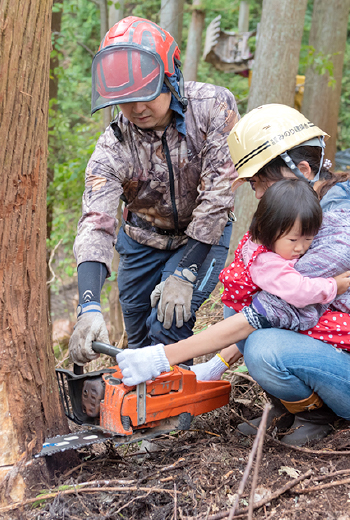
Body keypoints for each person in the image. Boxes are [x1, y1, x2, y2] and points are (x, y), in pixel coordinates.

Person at [117, 104, 350, 446]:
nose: (256, 195)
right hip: (332, 349)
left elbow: (268, 313)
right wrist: (217, 364)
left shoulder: (337, 227)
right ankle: (290, 405)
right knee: (238, 298)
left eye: (260, 183)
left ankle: (318, 414)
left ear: (302, 169)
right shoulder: (304, 218)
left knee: (264, 347)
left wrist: (162, 357)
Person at [69, 16, 240, 366]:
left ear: (170, 78)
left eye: (146, 94)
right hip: (142, 240)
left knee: (168, 326)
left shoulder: (211, 107)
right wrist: (88, 305)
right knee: (138, 340)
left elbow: (219, 194)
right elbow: (95, 223)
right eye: (125, 100)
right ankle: (140, 413)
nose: (137, 108)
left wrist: (186, 271)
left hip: (202, 237)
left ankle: (177, 418)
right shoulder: (112, 147)